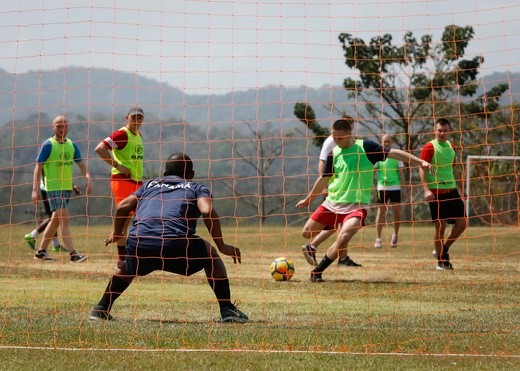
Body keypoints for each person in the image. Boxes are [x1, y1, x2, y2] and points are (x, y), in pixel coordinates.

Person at [89, 153, 248, 323]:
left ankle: (101, 309)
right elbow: (207, 211)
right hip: (176, 246)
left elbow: (122, 206)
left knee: (127, 266)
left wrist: (117, 232)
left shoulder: (149, 185)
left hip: (141, 244)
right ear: (191, 175)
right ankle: (227, 309)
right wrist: (222, 245)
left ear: (164, 174)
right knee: (211, 255)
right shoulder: (195, 187)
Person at [296, 117, 432, 282]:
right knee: (306, 233)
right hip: (332, 203)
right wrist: (309, 198)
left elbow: (394, 153)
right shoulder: (334, 154)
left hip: (356, 206)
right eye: (334, 138)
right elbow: (324, 179)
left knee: (344, 236)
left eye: (339, 138)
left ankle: (317, 272)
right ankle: (327, 232)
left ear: (349, 134)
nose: (336, 141)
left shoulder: (366, 147)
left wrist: (420, 162)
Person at [31, 115, 91, 262]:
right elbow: (38, 167)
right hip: (53, 188)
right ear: (53, 127)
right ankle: (73, 254)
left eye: (64, 126)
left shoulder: (71, 145)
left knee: (55, 221)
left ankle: (40, 252)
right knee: (65, 219)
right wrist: (35, 189)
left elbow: (81, 165)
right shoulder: (48, 145)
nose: (62, 128)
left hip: (66, 188)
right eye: (58, 126)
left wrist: (87, 177)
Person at [301, 134, 362, 268]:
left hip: (343, 191)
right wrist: (324, 186)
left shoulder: (351, 143)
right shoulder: (331, 142)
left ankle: (341, 257)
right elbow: (323, 162)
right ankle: (316, 247)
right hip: (335, 191)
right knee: (339, 226)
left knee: (342, 227)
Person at [95, 106, 144, 266]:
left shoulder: (138, 135)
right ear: (127, 117)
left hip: (135, 182)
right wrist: (117, 164)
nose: (137, 120)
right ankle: (122, 259)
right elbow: (100, 148)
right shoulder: (122, 134)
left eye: (140, 117)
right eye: (134, 117)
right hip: (122, 181)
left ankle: (131, 254)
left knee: (136, 218)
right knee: (123, 219)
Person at [419, 118, 467, 270]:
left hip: (452, 191)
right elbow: (422, 168)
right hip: (436, 193)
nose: (442, 133)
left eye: (445, 130)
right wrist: (426, 189)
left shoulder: (452, 146)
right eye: (439, 130)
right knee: (440, 228)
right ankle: (442, 261)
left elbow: (453, 169)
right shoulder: (429, 147)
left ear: (449, 131)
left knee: (462, 223)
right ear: (435, 130)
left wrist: (461, 188)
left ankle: (444, 248)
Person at [24, 171, 80, 252]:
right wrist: (37, 189)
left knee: (54, 217)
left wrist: (72, 184)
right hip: (49, 188)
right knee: (54, 217)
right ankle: (33, 235)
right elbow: (44, 169)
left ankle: (55, 244)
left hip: (57, 187)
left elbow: (62, 172)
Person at [373, 134, 407, 248]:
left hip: (395, 188)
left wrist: (405, 188)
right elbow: (373, 170)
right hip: (382, 187)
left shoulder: (396, 155)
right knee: (381, 212)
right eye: (384, 142)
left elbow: (401, 173)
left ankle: (395, 235)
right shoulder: (378, 155)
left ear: (391, 142)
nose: (386, 143)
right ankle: (378, 238)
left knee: (397, 213)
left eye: (388, 141)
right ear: (381, 142)